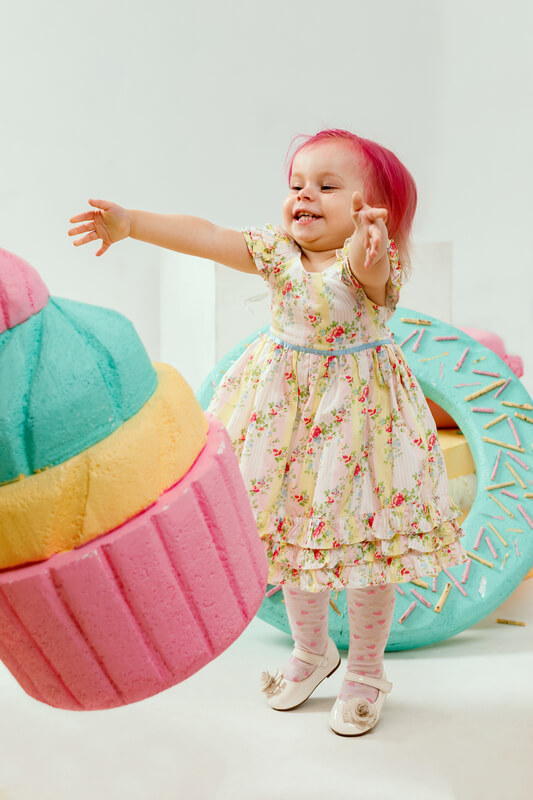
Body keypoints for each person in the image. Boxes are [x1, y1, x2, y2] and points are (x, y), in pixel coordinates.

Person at [68, 128, 467, 736]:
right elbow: (206, 235)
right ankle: (312, 651)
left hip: (359, 426)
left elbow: (373, 273)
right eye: (297, 184)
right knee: (290, 534)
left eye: (327, 186)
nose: (304, 196)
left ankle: (365, 668)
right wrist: (132, 223)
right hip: (282, 419)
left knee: (367, 553)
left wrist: (372, 242)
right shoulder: (277, 252)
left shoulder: (366, 261)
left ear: (372, 207)